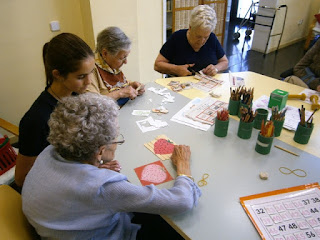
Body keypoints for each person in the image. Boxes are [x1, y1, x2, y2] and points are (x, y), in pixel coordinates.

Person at [22, 93, 201, 240]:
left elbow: (72, 182)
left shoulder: (50, 150)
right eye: (116, 138)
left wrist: (93, 169)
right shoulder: (105, 187)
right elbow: (182, 202)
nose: (117, 143)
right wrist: (183, 167)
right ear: (100, 152)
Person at [15, 33, 121, 189]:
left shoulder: (77, 96)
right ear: (57, 74)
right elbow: (22, 179)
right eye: (81, 76)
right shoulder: (36, 120)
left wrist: (92, 164)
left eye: (91, 72)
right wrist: (89, 170)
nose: (89, 82)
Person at [154, 4, 228, 77]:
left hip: (205, 85)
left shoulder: (212, 38)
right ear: (190, 27)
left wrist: (216, 68)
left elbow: (224, 62)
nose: (202, 41)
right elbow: (157, 65)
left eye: (205, 37)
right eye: (198, 36)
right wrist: (176, 69)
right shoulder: (177, 38)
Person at [86, 27, 145, 106]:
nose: (125, 62)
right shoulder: (90, 70)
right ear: (105, 53)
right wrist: (120, 93)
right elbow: (93, 104)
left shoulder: (109, 65)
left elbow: (120, 83)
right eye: (122, 58)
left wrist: (132, 85)